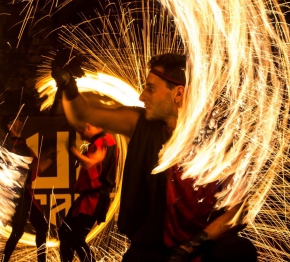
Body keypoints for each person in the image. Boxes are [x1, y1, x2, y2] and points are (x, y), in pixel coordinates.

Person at [52, 53, 257, 262]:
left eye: (150, 88)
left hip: (202, 250)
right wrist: (69, 86)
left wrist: (189, 247)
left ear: (178, 93)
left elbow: (238, 211)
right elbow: (82, 115)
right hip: (150, 253)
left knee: (239, 250)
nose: (141, 96)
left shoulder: (220, 141)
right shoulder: (140, 125)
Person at [58, 122, 118, 262]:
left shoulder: (103, 140)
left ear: (88, 126)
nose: (80, 135)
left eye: (81, 131)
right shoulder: (105, 140)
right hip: (88, 198)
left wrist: (73, 150)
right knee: (66, 233)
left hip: (94, 198)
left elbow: (90, 163)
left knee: (75, 237)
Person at [1, 116, 54, 262]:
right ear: (8, 125)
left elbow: (34, 170)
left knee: (40, 227)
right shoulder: (11, 146)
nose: (20, 122)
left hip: (26, 195)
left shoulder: (22, 145)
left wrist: (50, 158)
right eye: (16, 120)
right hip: (19, 196)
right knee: (18, 231)